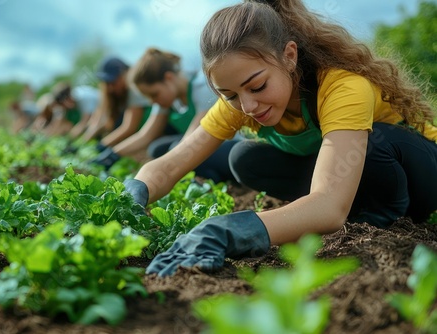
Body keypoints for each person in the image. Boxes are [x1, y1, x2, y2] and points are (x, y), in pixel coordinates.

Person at [121, 0, 437, 277]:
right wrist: (132, 196)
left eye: (257, 87)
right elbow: (173, 161)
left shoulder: (342, 87)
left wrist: (231, 230)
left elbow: (328, 205)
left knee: (373, 143)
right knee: (245, 159)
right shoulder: (243, 99)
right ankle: (349, 212)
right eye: (230, 95)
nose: (247, 106)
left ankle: (383, 220)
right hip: (352, 183)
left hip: (419, 175)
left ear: (289, 56)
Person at [93, 47, 240, 183]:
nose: (153, 101)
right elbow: (145, 135)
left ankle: (214, 180)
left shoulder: (201, 88)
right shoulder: (169, 98)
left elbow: (191, 139)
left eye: (154, 94)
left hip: (229, 144)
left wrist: (157, 173)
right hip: (201, 146)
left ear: (168, 78)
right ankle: (206, 176)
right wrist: (112, 154)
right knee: (157, 148)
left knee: (176, 150)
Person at [78, 56, 154, 147]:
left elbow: (129, 127)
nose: (110, 88)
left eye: (113, 82)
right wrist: (83, 142)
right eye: (107, 84)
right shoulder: (114, 95)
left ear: (124, 74)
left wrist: (102, 145)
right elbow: (99, 120)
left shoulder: (133, 89)